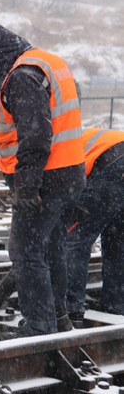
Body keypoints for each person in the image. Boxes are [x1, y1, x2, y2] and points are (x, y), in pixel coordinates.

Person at [0, 23, 86, 339]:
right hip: (70, 175)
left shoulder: (21, 77)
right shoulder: (47, 62)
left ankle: (39, 325)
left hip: (46, 180)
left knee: (25, 251)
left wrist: (26, 187)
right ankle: (58, 318)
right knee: (51, 249)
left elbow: (35, 138)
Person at [66, 128, 124, 323]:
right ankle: (115, 304)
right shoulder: (80, 138)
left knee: (75, 239)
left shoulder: (59, 151)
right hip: (115, 161)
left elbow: (65, 189)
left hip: (111, 166)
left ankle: (70, 308)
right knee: (117, 242)